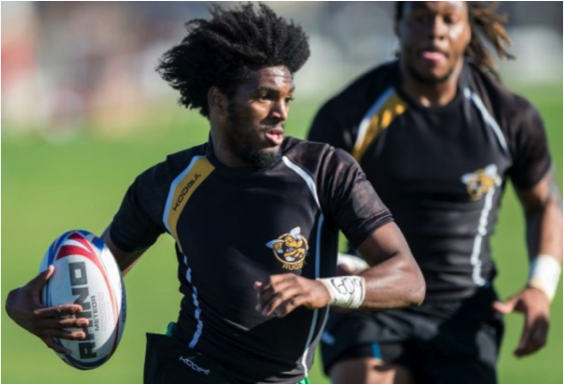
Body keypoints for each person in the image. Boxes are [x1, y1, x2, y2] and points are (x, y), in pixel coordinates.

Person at [5, 4, 425, 384]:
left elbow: (408, 279)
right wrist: (24, 304)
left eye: (287, 98)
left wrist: (326, 290)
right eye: (264, 97)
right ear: (219, 100)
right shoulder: (168, 184)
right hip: (192, 370)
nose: (282, 112)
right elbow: (100, 272)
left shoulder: (326, 172)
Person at [308, 1, 563, 383]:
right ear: (398, 24)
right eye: (421, 18)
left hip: (464, 308)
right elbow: (306, 212)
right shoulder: (348, 115)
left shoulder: (508, 117)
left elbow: (543, 203)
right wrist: (331, 269)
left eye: (449, 19)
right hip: (373, 296)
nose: (435, 30)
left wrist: (540, 287)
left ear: (468, 28)